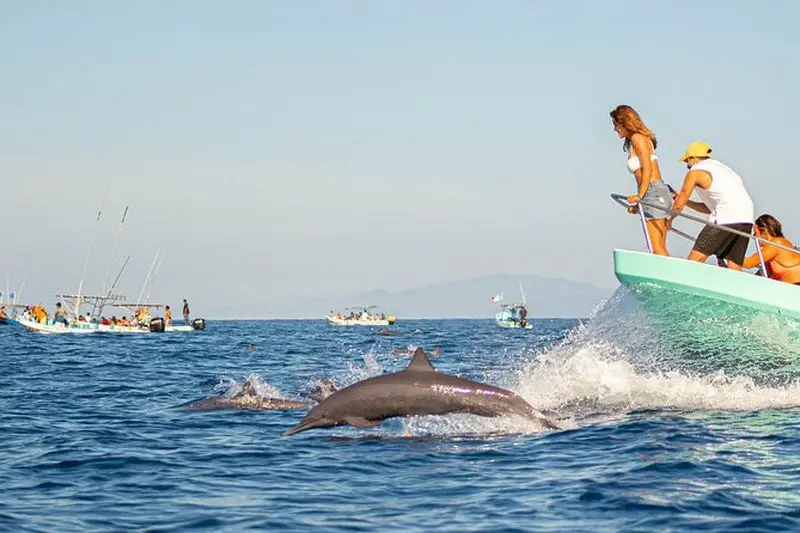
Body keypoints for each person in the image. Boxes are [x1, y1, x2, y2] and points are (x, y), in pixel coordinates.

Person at [668, 141, 755, 270]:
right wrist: (687, 202)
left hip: (726, 219)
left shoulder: (695, 172)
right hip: (747, 219)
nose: (687, 165)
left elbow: (678, 205)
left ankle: (682, 281)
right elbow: (708, 208)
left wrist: (669, 220)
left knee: (696, 258)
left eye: (687, 161)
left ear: (693, 158)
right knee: (734, 264)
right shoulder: (723, 169)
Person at [610, 105, 673, 256]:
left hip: (653, 191)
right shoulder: (636, 140)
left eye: (616, 125)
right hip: (653, 192)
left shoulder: (638, 138)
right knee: (658, 247)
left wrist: (640, 196)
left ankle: (671, 277)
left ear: (625, 123)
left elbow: (648, 169)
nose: (615, 129)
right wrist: (640, 203)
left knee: (656, 246)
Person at [743, 214, 800, 284]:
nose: (753, 237)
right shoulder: (781, 244)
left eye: (755, 233)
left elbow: (749, 263)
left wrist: (729, 254)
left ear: (764, 231)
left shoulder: (776, 244)